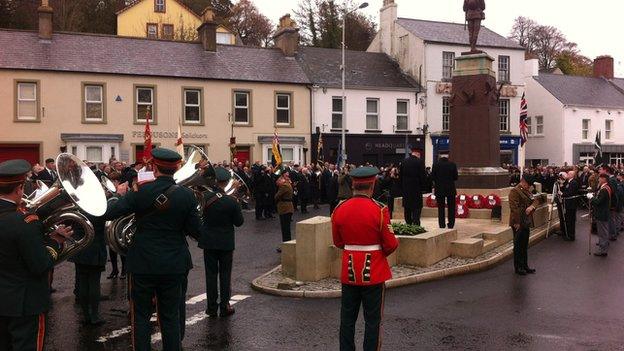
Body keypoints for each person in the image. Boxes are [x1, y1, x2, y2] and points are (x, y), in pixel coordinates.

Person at [103, 148, 201, 351]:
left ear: (154, 168)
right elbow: (197, 232)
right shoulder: (187, 195)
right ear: (175, 169)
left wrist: (117, 195)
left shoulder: (140, 191)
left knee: (140, 317)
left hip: (143, 263)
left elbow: (109, 212)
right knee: (170, 317)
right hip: (174, 263)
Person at [0, 159, 73, 351]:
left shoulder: (22, 219)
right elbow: (40, 264)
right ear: (19, 188)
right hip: (24, 302)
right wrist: (55, 241)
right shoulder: (24, 222)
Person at [331, 166, 399, 351]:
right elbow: (391, 244)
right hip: (374, 272)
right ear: (372, 185)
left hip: (349, 271)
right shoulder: (379, 210)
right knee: (373, 322)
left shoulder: (340, 208)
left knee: (347, 320)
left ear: (353, 185)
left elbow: (338, 242)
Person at [199, 167, 244, 318]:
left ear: (215, 181)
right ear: (227, 183)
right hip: (225, 243)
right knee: (225, 275)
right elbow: (239, 223)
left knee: (210, 275)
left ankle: (211, 308)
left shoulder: (204, 197)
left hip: (209, 242)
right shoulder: (232, 201)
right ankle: (225, 306)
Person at [69, 214, 107, 325]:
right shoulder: (98, 208)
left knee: (83, 282)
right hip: (95, 247)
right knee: (94, 282)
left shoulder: (78, 207)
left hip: (80, 247)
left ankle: (86, 315)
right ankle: (94, 316)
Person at [509, 174, 540, 276]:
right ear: (523, 182)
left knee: (524, 244)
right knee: (518, 245)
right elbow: (514, 208)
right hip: (518, 221)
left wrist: (532, 207)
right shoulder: (515, 191)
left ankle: (525, 265)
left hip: (526, 221)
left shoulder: (526, 190)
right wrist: (517, 223)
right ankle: (518, 267)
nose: (529, 186)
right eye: (528, 184)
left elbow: (536, 201)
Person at [400, 148, 426, 225]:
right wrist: (423, 188)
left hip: (406, 189)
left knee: (407, 207)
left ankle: (408, 223)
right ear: (418, 154)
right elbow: (422, 176)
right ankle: (416, 223)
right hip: (416, 189)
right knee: (417, 207)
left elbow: (400, 176)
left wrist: (402, 187)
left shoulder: (404, 161)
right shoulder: (420, 162)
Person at [431, 156, 458, 229]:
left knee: (441, 208)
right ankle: (451, 224)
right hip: (450, 189)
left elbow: (432, 177)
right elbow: (456, 177)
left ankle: (442, 224)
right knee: (451, 207)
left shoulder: (435, 165)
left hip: (439, 189)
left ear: (440, 156)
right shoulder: (453, 164)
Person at [591, 174, 612, 257]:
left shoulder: (604, 189)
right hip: (604, 212)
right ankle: (603, 247)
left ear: (604, 179)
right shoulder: (605, 188)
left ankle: (603, 250)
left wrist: (591, 198)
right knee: (603, 231)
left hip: (602, 213)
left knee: (602, 232)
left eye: (599, 178)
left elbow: (598, 202)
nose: (598, 180)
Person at [275, 172, 295, 252]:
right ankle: (287, 245)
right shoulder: (288, 184)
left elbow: (277, 196)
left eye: (278, 181)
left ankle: (286, 246)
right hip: (288, 208)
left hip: (285, 208)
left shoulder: (284, 186)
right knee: (286, 229)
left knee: (285, 229)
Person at [560, 171, 579, 241]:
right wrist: (562, 187)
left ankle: (571, 235)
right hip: (568, 203)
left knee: (571, 220)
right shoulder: (569, 182)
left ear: (572, 175)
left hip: (571, 204)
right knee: (568, 219)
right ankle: (567, 233)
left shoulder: (574, 182)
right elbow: (566, 189)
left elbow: (570, 192)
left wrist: (562, 194)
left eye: (568, 174)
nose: (567, 175)